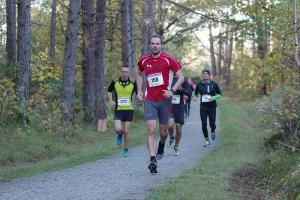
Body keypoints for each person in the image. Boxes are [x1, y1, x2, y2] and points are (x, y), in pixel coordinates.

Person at [136, 34, 184, 173]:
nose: (155, 45)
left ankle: (162, 144)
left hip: (164, 101)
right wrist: (139, 91)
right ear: (149, 45)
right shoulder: (144, 61)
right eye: (152, 43)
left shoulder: (168, 60)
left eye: (157, 43)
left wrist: (172, 90)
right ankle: (152, 160)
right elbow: (138, 74)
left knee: (163, 132)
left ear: (161, 45)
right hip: (150, 100)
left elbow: (181, 77)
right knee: (150, 129)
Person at [107, 64, 136, 157]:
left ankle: (126, 149)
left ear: (129, 73)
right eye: (123, 71)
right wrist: (111, 100)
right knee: (118, 129)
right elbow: (109, 91)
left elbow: (139, 92)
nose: (124, 73)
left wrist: (140, 97)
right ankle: (120, 134)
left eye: (126, 72)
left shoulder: (133, 82)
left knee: (127, 131)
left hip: (129, 110)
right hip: (118, 110)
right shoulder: (115, 82)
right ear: (120, 72)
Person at [194, 69, 222, 147]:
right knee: (204, 125)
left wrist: (213, 98)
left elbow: (220, 94)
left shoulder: (214, 84)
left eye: (206, 74)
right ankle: (207, 140)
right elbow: (195, 93)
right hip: (203, 107)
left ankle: (213, 131)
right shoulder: (199, 84)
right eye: (203, 74)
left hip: (212, 107)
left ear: (209, 76)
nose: (205, 75)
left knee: (212, 124)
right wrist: (195, 97)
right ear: (202, 75)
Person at [168, 76, 193, 156]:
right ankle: (171, 136)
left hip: (179, 107)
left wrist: (181, 89)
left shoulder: (182, 79)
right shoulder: (168, 78)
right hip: (170, 106)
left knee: (178, 127)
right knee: (170, 125)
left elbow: (189, 92)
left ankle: (176, 146)